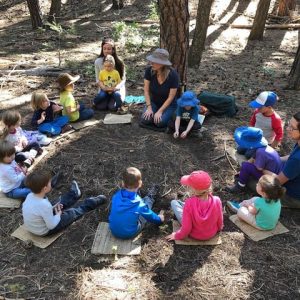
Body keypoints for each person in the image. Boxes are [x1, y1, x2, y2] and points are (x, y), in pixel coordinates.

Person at [22, 169, 107, 236]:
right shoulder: (44, 205)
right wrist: (58, 214)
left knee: (58, 203)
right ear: (44, 188)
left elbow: (40, 210)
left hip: (34, 227)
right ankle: (91, 203)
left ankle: (74, 194)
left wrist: (53, 209)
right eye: (49, 183)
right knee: (72, 213)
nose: (51, 183)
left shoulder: (30, 196)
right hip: (45, 231)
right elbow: (51, 225)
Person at [166, 170, 223, 241]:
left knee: (174, 202)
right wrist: (219, 228)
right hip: (211, 233)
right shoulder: (217, 200)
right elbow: (220, 219)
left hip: (194, 234)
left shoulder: (189, 203)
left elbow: (186, 228)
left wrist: (177, 235)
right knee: (184, 206)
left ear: (193, 189)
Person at [109, 167, 164, 239]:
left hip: (113, 230)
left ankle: (139, 194)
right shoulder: (139, 203)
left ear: (123, 183)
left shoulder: (116, 196)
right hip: (129, 233)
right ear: (140, 184)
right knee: (145, 208)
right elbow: (150, 216)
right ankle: (150, 197)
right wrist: (159, 219)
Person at [226, 126, 283, 193]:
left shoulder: (260, 152)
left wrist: (246, 167)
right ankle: (243, 177)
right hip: (274, 172)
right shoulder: (262, 147)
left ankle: (240, 186)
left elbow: (259, 168)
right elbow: (252, 159)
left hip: (271, 178)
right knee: (246, 165)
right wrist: (243, 170)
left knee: (246, 166)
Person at [140, 48, 179, 130]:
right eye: (152, 60)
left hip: (169, 105)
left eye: (155, 61)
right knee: (145, 120)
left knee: (159, 122)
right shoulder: (149, 71)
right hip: (153, 102)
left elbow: (171, 97)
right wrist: (149, 108)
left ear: (162, 63)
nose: (152, 63)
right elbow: (146, 91)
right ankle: (154, 112)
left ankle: (171, 116)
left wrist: (160, 111)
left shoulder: (173, 75)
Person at [238, 91, 283, 158]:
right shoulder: (257, 112)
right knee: (240, 150)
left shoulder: (275, 119)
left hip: (264, 142)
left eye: (260, 107)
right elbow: (252, 123)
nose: (258, 108)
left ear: (269, 107)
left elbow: (279, 135)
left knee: (248, 155)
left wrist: (271, 149)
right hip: (254, 138)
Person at [275, 112, 300, 208]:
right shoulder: (299, 141)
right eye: (289, 124)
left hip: (293, 197)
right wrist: (276, 159)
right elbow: (290, 156)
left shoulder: (297, 159)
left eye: (292, 128)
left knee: (253, 181)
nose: (287, 128)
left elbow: (276, 182)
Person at [94, 37, 126, 109]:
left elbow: (123, 79)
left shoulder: (119, 62)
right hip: (104, 87)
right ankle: (106, 99)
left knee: (112, 107)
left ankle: (117, 102)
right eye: (104, 48)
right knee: (101, 107)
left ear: (113, 50)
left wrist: (117, 87)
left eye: (109, 49)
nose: (106, 51)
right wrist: (104, 88)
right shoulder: (98, 62)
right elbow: (98, 79)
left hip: (116, 87)